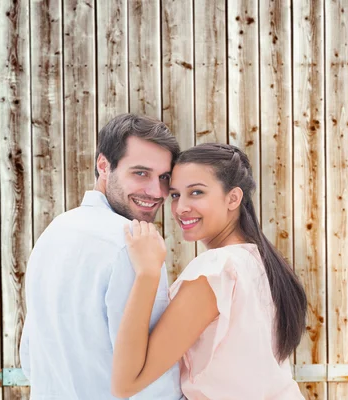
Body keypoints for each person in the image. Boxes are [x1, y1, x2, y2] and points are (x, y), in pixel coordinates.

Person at [111, 143, 307, 399]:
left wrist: (147, 274)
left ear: (233, 198)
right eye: (175, 195)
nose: (180, 208)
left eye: (196, 193)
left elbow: (126, 384)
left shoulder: (216, 271)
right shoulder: (260, 262)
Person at [20, 114, 184, 399]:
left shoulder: (54, 232)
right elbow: (152, 383)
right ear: (104, 166)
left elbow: (30, 360)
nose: (157, 192)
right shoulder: (134, 247)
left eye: (164, 177)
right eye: (141, 173)